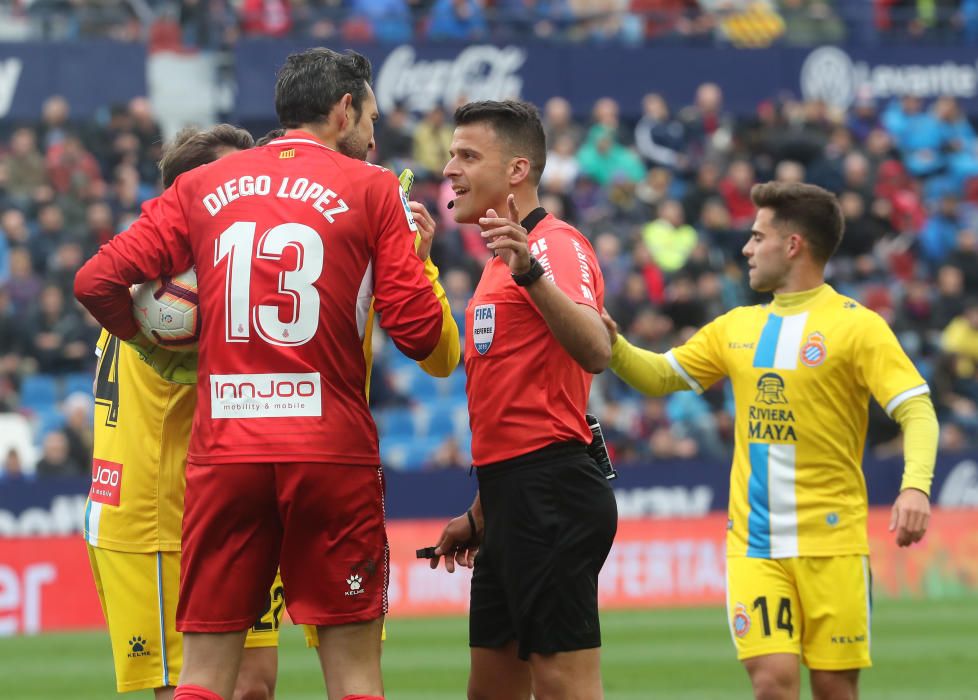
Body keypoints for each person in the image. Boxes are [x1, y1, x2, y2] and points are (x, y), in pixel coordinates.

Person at [76, 47, 459, 700]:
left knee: (211, 679)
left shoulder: (201, 189)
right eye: (371, 117)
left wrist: (157, 344)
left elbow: (96, 280)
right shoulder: (372, 189)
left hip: (227, 456)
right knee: (356, 676)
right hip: (328, 454)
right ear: (343, 113)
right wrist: (414, 262)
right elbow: (426, 339)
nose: (375, 133)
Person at [603, 182, 938, 700]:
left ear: (793, 245)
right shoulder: (736, 326)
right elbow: (662, 376)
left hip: (834, 544)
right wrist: (615, 345)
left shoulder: (858, 328)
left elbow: (916, 408)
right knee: (772, 684)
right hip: (755, 544)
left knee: (834, 689)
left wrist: (915, 486)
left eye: (758, 236)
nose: (746, 248)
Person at [85, 123, 290, 700]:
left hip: (226, 513)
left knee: (255, 687)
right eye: (232, 176)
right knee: (187, 692)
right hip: (152, 520)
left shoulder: (221, 270)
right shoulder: (171, 291)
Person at [430, 100, 617, 700]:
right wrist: (480, 515)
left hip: (553, 494)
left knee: (563, 686)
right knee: (491, 688)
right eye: (451, 154)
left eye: (467, 156)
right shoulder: (497, 260)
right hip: (510, 497)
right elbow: (512, 410)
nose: (450, 169)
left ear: (516, 171)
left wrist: (531, 271)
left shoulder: (554, 246)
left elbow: (596, 349)